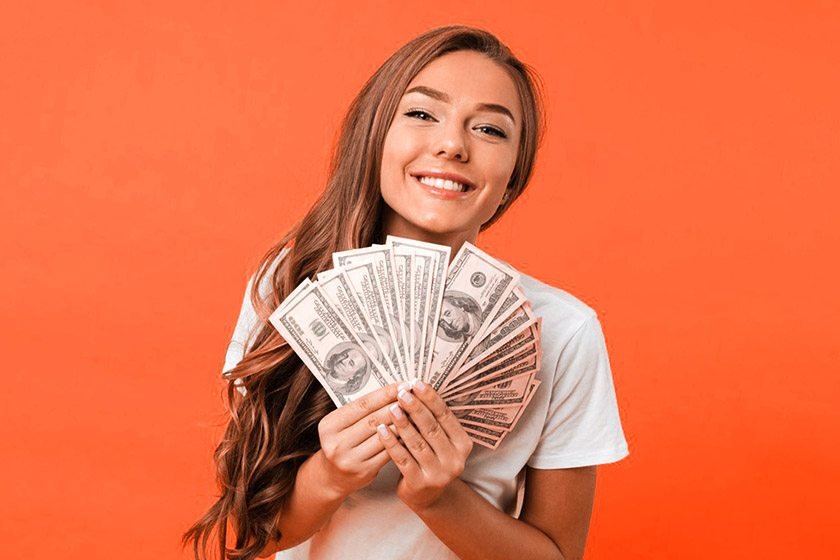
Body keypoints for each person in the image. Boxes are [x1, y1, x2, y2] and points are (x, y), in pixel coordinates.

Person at [184, 25, 629, 560]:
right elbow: (253, 533)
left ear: (512, 177)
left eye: (489, 129)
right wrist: (328, 476)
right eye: (421, 114)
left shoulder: (563, 331)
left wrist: (441, 499)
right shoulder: (290, 284)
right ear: (375, 137)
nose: (451, 144)